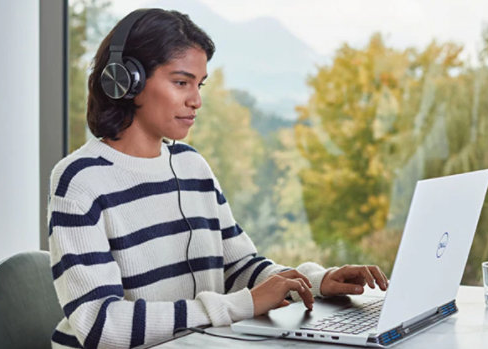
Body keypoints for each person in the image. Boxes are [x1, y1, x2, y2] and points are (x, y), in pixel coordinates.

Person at [48, 8, 388, 349]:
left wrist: (315, 282)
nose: (196, 100)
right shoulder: (80, 180)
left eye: (199, 84)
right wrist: (242, 305)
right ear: (126, 80)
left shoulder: (192, 166)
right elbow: (101, 326)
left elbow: (239, 268)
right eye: (181, 82)